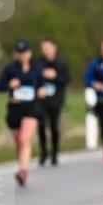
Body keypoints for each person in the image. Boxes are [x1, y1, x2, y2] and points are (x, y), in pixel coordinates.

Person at [0, 40, 45, 186]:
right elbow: (0, 87)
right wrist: (9, 84)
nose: (22, 55)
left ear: (30, 53)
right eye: (19, 53)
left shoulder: (37, 68)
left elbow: (43, 85)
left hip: (32, 107)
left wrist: (42, 90)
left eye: (25, 52)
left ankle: (23, 171)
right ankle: (23, 164)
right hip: (15, 108)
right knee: (19, 141)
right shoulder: (10, 69)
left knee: (24, 139)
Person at [36, 37, 71, 166]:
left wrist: (55, 76)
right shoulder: (37, 63)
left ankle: (55, 153)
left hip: (56, 99)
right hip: (41, 100)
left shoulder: (61, 63)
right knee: (41, 126)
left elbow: (67, 79)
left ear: (54, 47)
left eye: (48, 47)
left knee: (54, 127)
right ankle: (43, 152)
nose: (46, 50)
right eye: (43, 48)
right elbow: (32, 78)